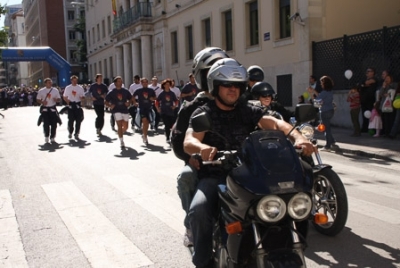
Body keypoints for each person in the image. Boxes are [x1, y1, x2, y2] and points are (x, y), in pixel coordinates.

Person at [183, 58, 315, 268]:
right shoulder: (204, 112)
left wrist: (298, 137)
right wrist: (201, 149)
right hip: (216, 174)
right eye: (226, 84)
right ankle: (203, 260)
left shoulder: (248, 109)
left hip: (248, 173)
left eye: (237, 85)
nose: (232, 89)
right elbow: (189, 140)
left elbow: (275, 122)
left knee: (288, 198)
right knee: (199, 210)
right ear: (215, 87)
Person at [172, 47, 229, 248]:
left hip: (237, 161)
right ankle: (192, 225)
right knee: (185, 178)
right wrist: (191, 157)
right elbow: (178, 141)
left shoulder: (238, 102)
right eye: (210, 72)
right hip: (204, 163)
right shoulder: (191, 107)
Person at [310, 75, 336, 150]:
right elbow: (321, 96)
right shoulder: (330, 91)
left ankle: (328, 145)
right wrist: (314, 91)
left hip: (324, 111)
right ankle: (332, 141)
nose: (321, 84)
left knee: (326, 128)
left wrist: (311, 94)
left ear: (324, 83)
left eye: (322, 83)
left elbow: (316, 102)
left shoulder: (324, 92)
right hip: (330, 110)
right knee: (328, 127)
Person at [105, 76, 132, 148]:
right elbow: (106, 101)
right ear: (115, 83)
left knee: (126, 127)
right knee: (119, 126)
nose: (121, 82)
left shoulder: (125, 91)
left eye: (121, 81)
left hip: (124, 109)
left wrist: (129, 103)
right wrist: (110, 105)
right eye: (119, 81)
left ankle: (120, 133)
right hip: (116, 110)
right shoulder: (112, 92)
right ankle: (121, 141)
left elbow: (131, 98)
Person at [37, 78, 61, 143]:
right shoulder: (41, 91)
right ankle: (46, 136)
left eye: (50, 82)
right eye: (48, 82)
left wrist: (57, 100)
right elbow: (38, 99)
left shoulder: (55, 90)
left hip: (53, 109)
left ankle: (52, 137)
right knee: (46, 124)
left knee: (54, 124)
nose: (50, 83)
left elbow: (59, 98)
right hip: (45, 110)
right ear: (45, 83)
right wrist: (42, 102)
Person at [132, 77, 156, 145]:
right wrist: (134, 103)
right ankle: (145, 137)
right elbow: (133, 96)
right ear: (141, 83)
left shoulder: (151, 90)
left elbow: (155, 98)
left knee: (147, 123)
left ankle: (144, 134)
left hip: (149, 108)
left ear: (148, 83)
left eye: (146, 82)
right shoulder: (138, 90)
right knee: (144, 121)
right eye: (143, 82)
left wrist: (153, 99)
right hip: (142, 108)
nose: (145, 83)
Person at [156, 79, 179, 143]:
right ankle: (168, 138)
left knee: (172, 124)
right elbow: (157, 101)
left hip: (171, 111)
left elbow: (176, 100)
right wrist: (158, 108)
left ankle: (170, 134)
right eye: (166, 84)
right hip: (164, 111)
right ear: (163, 85)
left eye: (169, 84)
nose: (167, 86)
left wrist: (174, 106)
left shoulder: (172, 93)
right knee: (167, 124)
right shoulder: (162, 93)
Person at [63, 75, 85, 140]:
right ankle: (70, 132)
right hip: (71, 105)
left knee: (78, 120)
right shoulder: (68, 88)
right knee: (71, 120)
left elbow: (83, 96)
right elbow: (64, 96)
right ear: (71, 81)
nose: (75, 82)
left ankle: (76, 133)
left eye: (76, 80)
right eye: (73, 80)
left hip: (77, 105)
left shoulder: (80, 88)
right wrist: (67, 101)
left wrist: (82, 98)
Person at [359, 67, 377, 132]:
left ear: (373, 72)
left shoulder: (375, 79)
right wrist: (364, 85)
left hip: (371, 100)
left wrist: (365, 85)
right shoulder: (363, 80)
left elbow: (369, 82)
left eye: (369, 71)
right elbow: (361, 85)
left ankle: (371, 128)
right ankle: (365, 128)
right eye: (367, 71)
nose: (367, 72)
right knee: (364, 114)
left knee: (371, 114)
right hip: (364, 100)